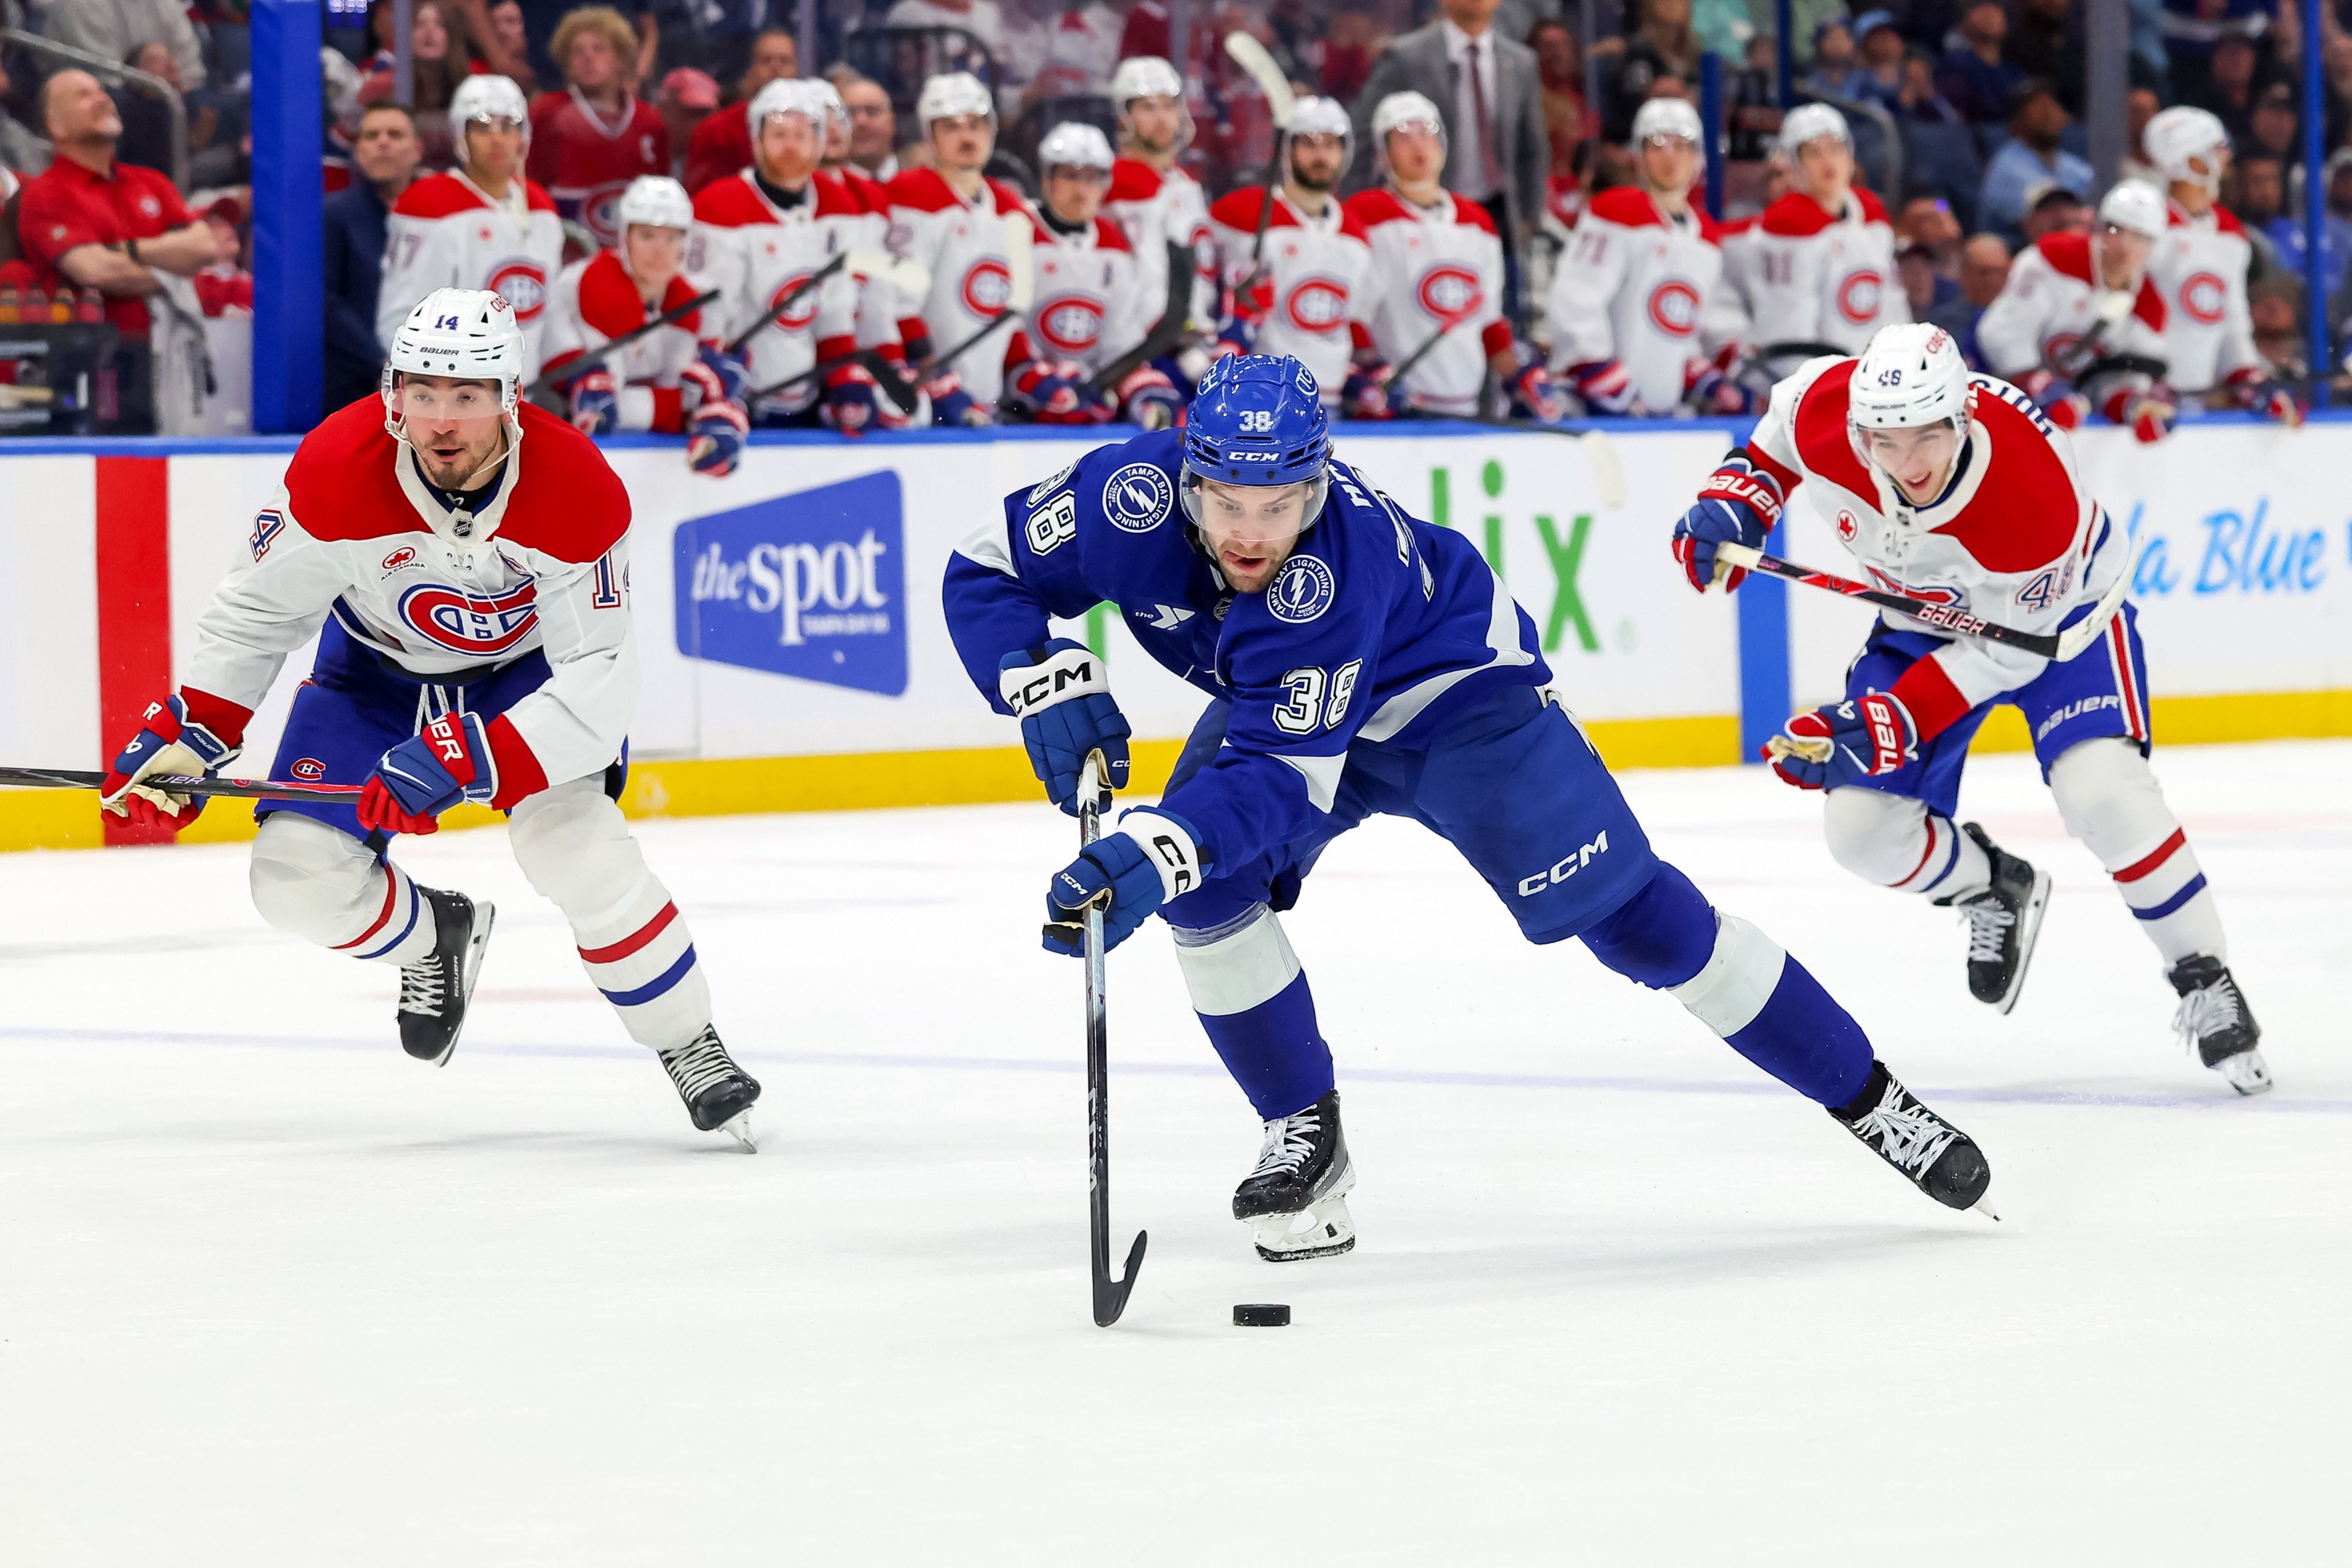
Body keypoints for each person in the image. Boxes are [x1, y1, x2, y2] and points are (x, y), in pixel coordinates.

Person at [942, 353, 2000, 1262]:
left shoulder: (1332, 573)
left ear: (1319, 483)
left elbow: (1279, 779)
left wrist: (1160, 847)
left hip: (1460, 707)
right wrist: (1036, 677)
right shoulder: (1122, 493)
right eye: (1229, 505)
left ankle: (1872, 1099)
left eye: (1282, 504)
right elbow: (985, 567)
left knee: (1643, 925)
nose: (1253, 534)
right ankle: (1303, 1136)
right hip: (1292, 713)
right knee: (1205, 887)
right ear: (1187, 473)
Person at [98, 289, 764, 1143]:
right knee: (294, 878)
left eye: (467, 395)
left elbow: (599, 677)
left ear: (509, 398)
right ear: (394, 393)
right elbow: (257, 611)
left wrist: (469, 752)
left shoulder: (575, 487)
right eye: (423, 392)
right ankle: (434, 939)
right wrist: (197, 729)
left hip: (522, 685)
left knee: (575, 849)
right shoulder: (337, 467)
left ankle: (688, 1039)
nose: (442, 421)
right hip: (370, 682)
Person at [1670, 322, 2268, 1096]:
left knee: (2104, 794)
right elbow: (1783, 422)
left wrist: (1896, 716)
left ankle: (2203, 971)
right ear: (1859, 427)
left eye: (1928, 436)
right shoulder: (1828, 410)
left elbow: (2009, 652)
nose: (1908, 464)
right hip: (1922, 624)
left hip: (2061, 627)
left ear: (1964, 418)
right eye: (1886, 442)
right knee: (1860, 831)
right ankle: (1992, 884)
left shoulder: (2030, 494)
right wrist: (1741, 494)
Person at [15, 69, 237, 432]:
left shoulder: (151, 182)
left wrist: (127, 249)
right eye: (84, 95)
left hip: (165, 361)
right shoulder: (46, 193)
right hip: (88, 369)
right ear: (56, 125)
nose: (102, 98)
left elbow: (204, 245)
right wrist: (172, 272)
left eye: (101, 90)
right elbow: (94, 270)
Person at [691, 79, 906, 432]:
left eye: (802, 135)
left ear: (819, 142)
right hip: (739, 399)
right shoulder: (719, 206)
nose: (790, 146)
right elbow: (711, 315)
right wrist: (717, 379)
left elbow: (835, 308)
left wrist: (843, 376)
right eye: (779, 135)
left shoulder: (838, 204)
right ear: (757, 141)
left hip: (808, 401)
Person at [1350, 90, 1558, 419]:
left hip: (1465, 409)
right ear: (1384, 152)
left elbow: (1489, 323)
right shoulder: (1366, 215)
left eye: (1427, 132)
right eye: (1403, 136)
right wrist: (1368, 374)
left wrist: (1520, 378)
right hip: (1395, 415)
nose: (1418, 145)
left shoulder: (1477, 223)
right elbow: (1352, 318)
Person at [1543, 96, 1748, 416]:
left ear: (1698, 158)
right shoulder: (1616, 212)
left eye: (1681, 146)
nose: (1670, 157)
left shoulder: (1706, 239)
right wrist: (1597, 371)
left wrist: (1705, 377)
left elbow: (1685, 329)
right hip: (1597, 412)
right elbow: (1575, 300)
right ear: (1638, 156)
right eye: (1657, 145)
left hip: (1663, 414)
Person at [1345, 0, 1549, 304]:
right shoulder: (1407, 56)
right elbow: (1364, 136)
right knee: (1424, 307)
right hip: (1423, 213)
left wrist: (1529, 215)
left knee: (1497, 314)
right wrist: (1353, 214)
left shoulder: (1520, 61)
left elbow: (1531, 147)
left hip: (1499, 215)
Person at [541, 175, 749, 473]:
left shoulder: (694, 302)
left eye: (672, 237)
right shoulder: (587, 288)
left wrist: (715, 415)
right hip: (572, 456)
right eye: (648, 236)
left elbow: (696, 393)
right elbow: (600, 412)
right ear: (625, 237)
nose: (660, 250)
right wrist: (679, 408)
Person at [378, 75, 567, 383]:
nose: (497, 138)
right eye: (482, 126)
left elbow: (549, 312)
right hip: (450, 393)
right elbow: (400, 318)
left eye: (509, 125)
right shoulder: (429, 205)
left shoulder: (541, 208)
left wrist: (580, 372)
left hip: (521, 395)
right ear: (460, 135)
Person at [1003, 122, 1185, 428]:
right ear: (1047, 179)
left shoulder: (1114, 245)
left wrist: (1141, 390)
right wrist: (1033, 378)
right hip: (1017, 413)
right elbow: (1004, 330)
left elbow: (1120, 344)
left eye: (1092, 178)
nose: (1082, 189)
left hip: (1085, 402)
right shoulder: (1017, 231)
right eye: (1071, 176)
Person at [1207, 96, 1381, 412]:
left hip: (1331, 404)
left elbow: (1350, 328)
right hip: (1257, 403)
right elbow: (1204, 283)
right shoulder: (1242, 213)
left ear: (1345, 152)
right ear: (1287, 150)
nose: (1320, 155)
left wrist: (1365, 380)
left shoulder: (1355, 234)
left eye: (1330, 144)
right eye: (1309, 144)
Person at [885, 71, 1036, 423]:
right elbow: (897, 305)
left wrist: (1028, 374)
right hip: (925, 405)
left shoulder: (1012, 208)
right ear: (930, 136)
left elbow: (1011, 317)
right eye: (951, 127)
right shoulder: (912, 194)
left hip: (988, 405)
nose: (967, 136)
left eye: (976, 125)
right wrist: (930, 373)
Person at [1976, 180, 2175, 440]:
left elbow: (2120, 378)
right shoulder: (2052, 259)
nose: (2124, 246)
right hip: (2003, 399)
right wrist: (2040, 388)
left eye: (2139, 237)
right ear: (2098, 226)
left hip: (2075, 420)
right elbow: (2000, 333)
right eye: (2116, 230)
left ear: (2153, 245)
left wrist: (2133, 405)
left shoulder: (2150, 306)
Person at [2140, 105, 2300, 423]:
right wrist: (2133, 385)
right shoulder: (2146, 224)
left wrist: (2249, 381)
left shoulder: (2230, 233)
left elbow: (2232, 327)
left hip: (2194, 407)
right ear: (2189, 160)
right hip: (2141, 406)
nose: (2226, 156)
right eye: (2216, 148)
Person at [1726, 103, 1907, 367]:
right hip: (1819, 375)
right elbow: (1788, 327)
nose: (1827, 162)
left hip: (1872, 372)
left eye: (1835, 149)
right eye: (1813, 153)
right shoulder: (1786, 225)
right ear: (1794, 163)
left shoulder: (1871, 216)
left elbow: (1891, 304)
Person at [528, 5, 671, 250]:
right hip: (566, 252)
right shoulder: (546, 114)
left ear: (620, 58)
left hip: (632, 255)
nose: (588, 57)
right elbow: (529, 186)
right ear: (567, 63)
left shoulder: (649, 121)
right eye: (577, 51)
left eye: (599, 48)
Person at [1104, 56, 1215, 344]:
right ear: (1123, 116)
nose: (1162, 118)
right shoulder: (1119, 181)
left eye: (1169, 105)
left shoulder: (1184, 182)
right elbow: (1146, 280)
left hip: (1194, 333)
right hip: (1148, 343)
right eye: (1148, 108)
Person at [324, 102, 424, 412]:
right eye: (371, 135)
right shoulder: (334, 214)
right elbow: (327, 301)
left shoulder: (442, 216)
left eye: (395, 134)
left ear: (418, 149)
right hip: (354, 384)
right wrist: (382, 361)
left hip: (434, 376)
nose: (383, 142)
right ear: (358, 151)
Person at [681, 27, 798, 194]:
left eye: (784, 60)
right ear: (750, 70)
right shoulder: (716, 130)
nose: (775, 67)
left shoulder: (813, 128)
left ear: (797, 69)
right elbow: (701, 196)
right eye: (766, 60)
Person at [1979, 80, 2094, 243]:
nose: (2048, 113)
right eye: (2037, 107)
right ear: (2016, 122)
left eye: (2050, 104)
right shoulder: (2006, 166)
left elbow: (2098, 195)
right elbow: (2041, 225)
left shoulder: (2070, 163)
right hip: (2016, 249)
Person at [42, 0, 205, 94]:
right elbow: (106, 84)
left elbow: (192, 72)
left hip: (165, 98)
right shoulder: (81, 5)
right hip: (101, 103)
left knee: (210, 106)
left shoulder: (166, 5)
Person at [1936, 0, 2022, 124]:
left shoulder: (2014, 71)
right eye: (1979, 7)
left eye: (1995, 8)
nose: (1989, 13)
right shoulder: (1956, 62)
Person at [840, 74, 900, 182]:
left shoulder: (919, 183)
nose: (861, 122)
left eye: (872, 111)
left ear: (891, 122)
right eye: (851, 113)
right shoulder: (824, 187)